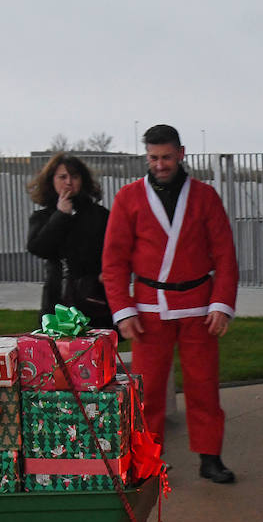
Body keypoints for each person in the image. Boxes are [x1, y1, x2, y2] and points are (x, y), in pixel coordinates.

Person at [101, 124, 240, 484]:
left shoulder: (205, 196)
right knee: (147, 394)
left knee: (204, 387)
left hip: (198, 307)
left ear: (181, 153)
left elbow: (225, 254)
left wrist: (221, 303)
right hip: (149, 309)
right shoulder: (128, 198)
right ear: (146, 157)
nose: (160, 164)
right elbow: (114, 261)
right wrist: (123, 310)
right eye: (153, 158)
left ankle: (210, 458)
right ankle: (148, 463)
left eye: (166, 156)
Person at [26, 153, 113, 329]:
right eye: (62, 177)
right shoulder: (43, 217)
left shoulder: (99, 215)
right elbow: (39, 248)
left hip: (93, 296)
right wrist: (60, 216)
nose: (68, 182)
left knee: (97, 351)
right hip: (58, 297)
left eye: (74, 176)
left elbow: (115, 249)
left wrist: (108, 272)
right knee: (59, 352)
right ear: (52, 180)